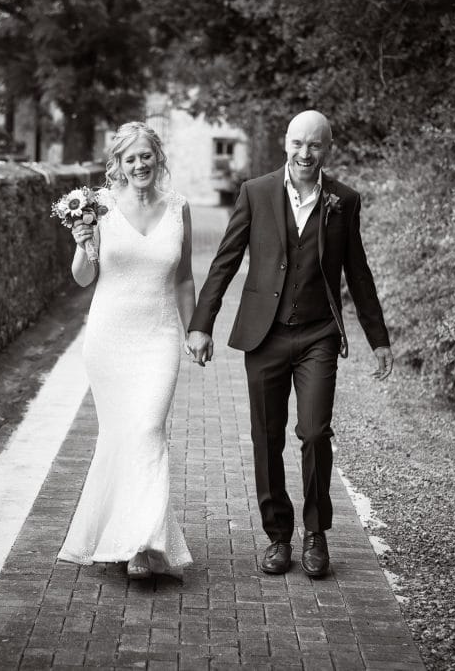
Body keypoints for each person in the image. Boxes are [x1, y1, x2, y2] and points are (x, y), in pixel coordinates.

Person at [186, 110, 393, 578]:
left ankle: (316, 533)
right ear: (285, 143)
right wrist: (202, 324)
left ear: (327, 149)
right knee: (267, 437)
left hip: (318, 334)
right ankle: (279, 536)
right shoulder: (256, 192)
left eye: (315, 145)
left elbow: (357, 272)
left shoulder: (344, 200)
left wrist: (377, 337)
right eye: (298, 143)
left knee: (315, 433)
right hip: (265, 335)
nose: (305, 153)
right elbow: (225, 261)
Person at [57, 122, 195, 579]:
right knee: (122, 436)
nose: (140, 165)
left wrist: (196, 329)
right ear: (117, 163)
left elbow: (184, 278)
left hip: (159, 338)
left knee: (149, 429)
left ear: (159, 158)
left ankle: (143, 542)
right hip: (109, 339)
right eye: (130, 158)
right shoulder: (98, 209)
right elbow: (82, 278)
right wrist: (82, 246)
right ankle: (132, 539)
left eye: (146, 156)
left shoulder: (178, 208)